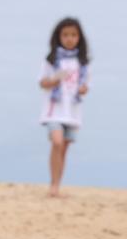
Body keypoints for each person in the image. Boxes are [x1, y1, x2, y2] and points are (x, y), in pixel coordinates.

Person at [37, 17, 90, 197]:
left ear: (79, 38)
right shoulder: (51, 60)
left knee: (64, 148)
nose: (69, 38)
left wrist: (83, 89)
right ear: (58, 36)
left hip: (72, 112)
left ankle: (57, 185)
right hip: (54, 111)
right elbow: (42, 82)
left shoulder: (82, 63)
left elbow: (85, 86)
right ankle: (53, 184)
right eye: (65, 34)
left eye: (73, 35)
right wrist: (55, 79)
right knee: (57, 142)